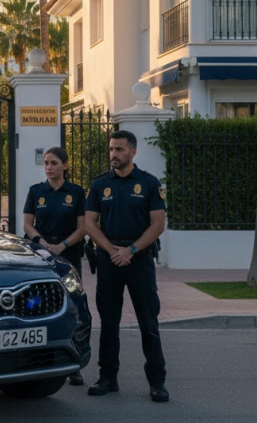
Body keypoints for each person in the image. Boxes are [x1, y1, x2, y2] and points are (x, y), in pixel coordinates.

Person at [84, 130, 169, 403]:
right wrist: (112, 251)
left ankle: (157, 382)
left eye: (119, 149)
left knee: (148, 323)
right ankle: (107, 378)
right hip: (109, 260)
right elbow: (89, 223)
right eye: (111, 149)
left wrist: (131, 250)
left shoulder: (148, 183)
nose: (113, 154)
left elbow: (158, 224)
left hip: (139, 260)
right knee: (108, 323)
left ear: (132, 152)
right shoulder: (100, 184)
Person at [23, 146, 87, 386]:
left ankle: (75, 364)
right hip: (40, 256)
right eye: (46, 163)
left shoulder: (77, 192)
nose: (49, 167)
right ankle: (37, 360)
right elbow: (28, 225)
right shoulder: (36, 191)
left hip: (68, 257)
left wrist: (62, 245)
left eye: (54, 163)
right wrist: (43, 243)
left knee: (73, 308)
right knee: (37, 307)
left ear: (65, 165)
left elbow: (83, 227)